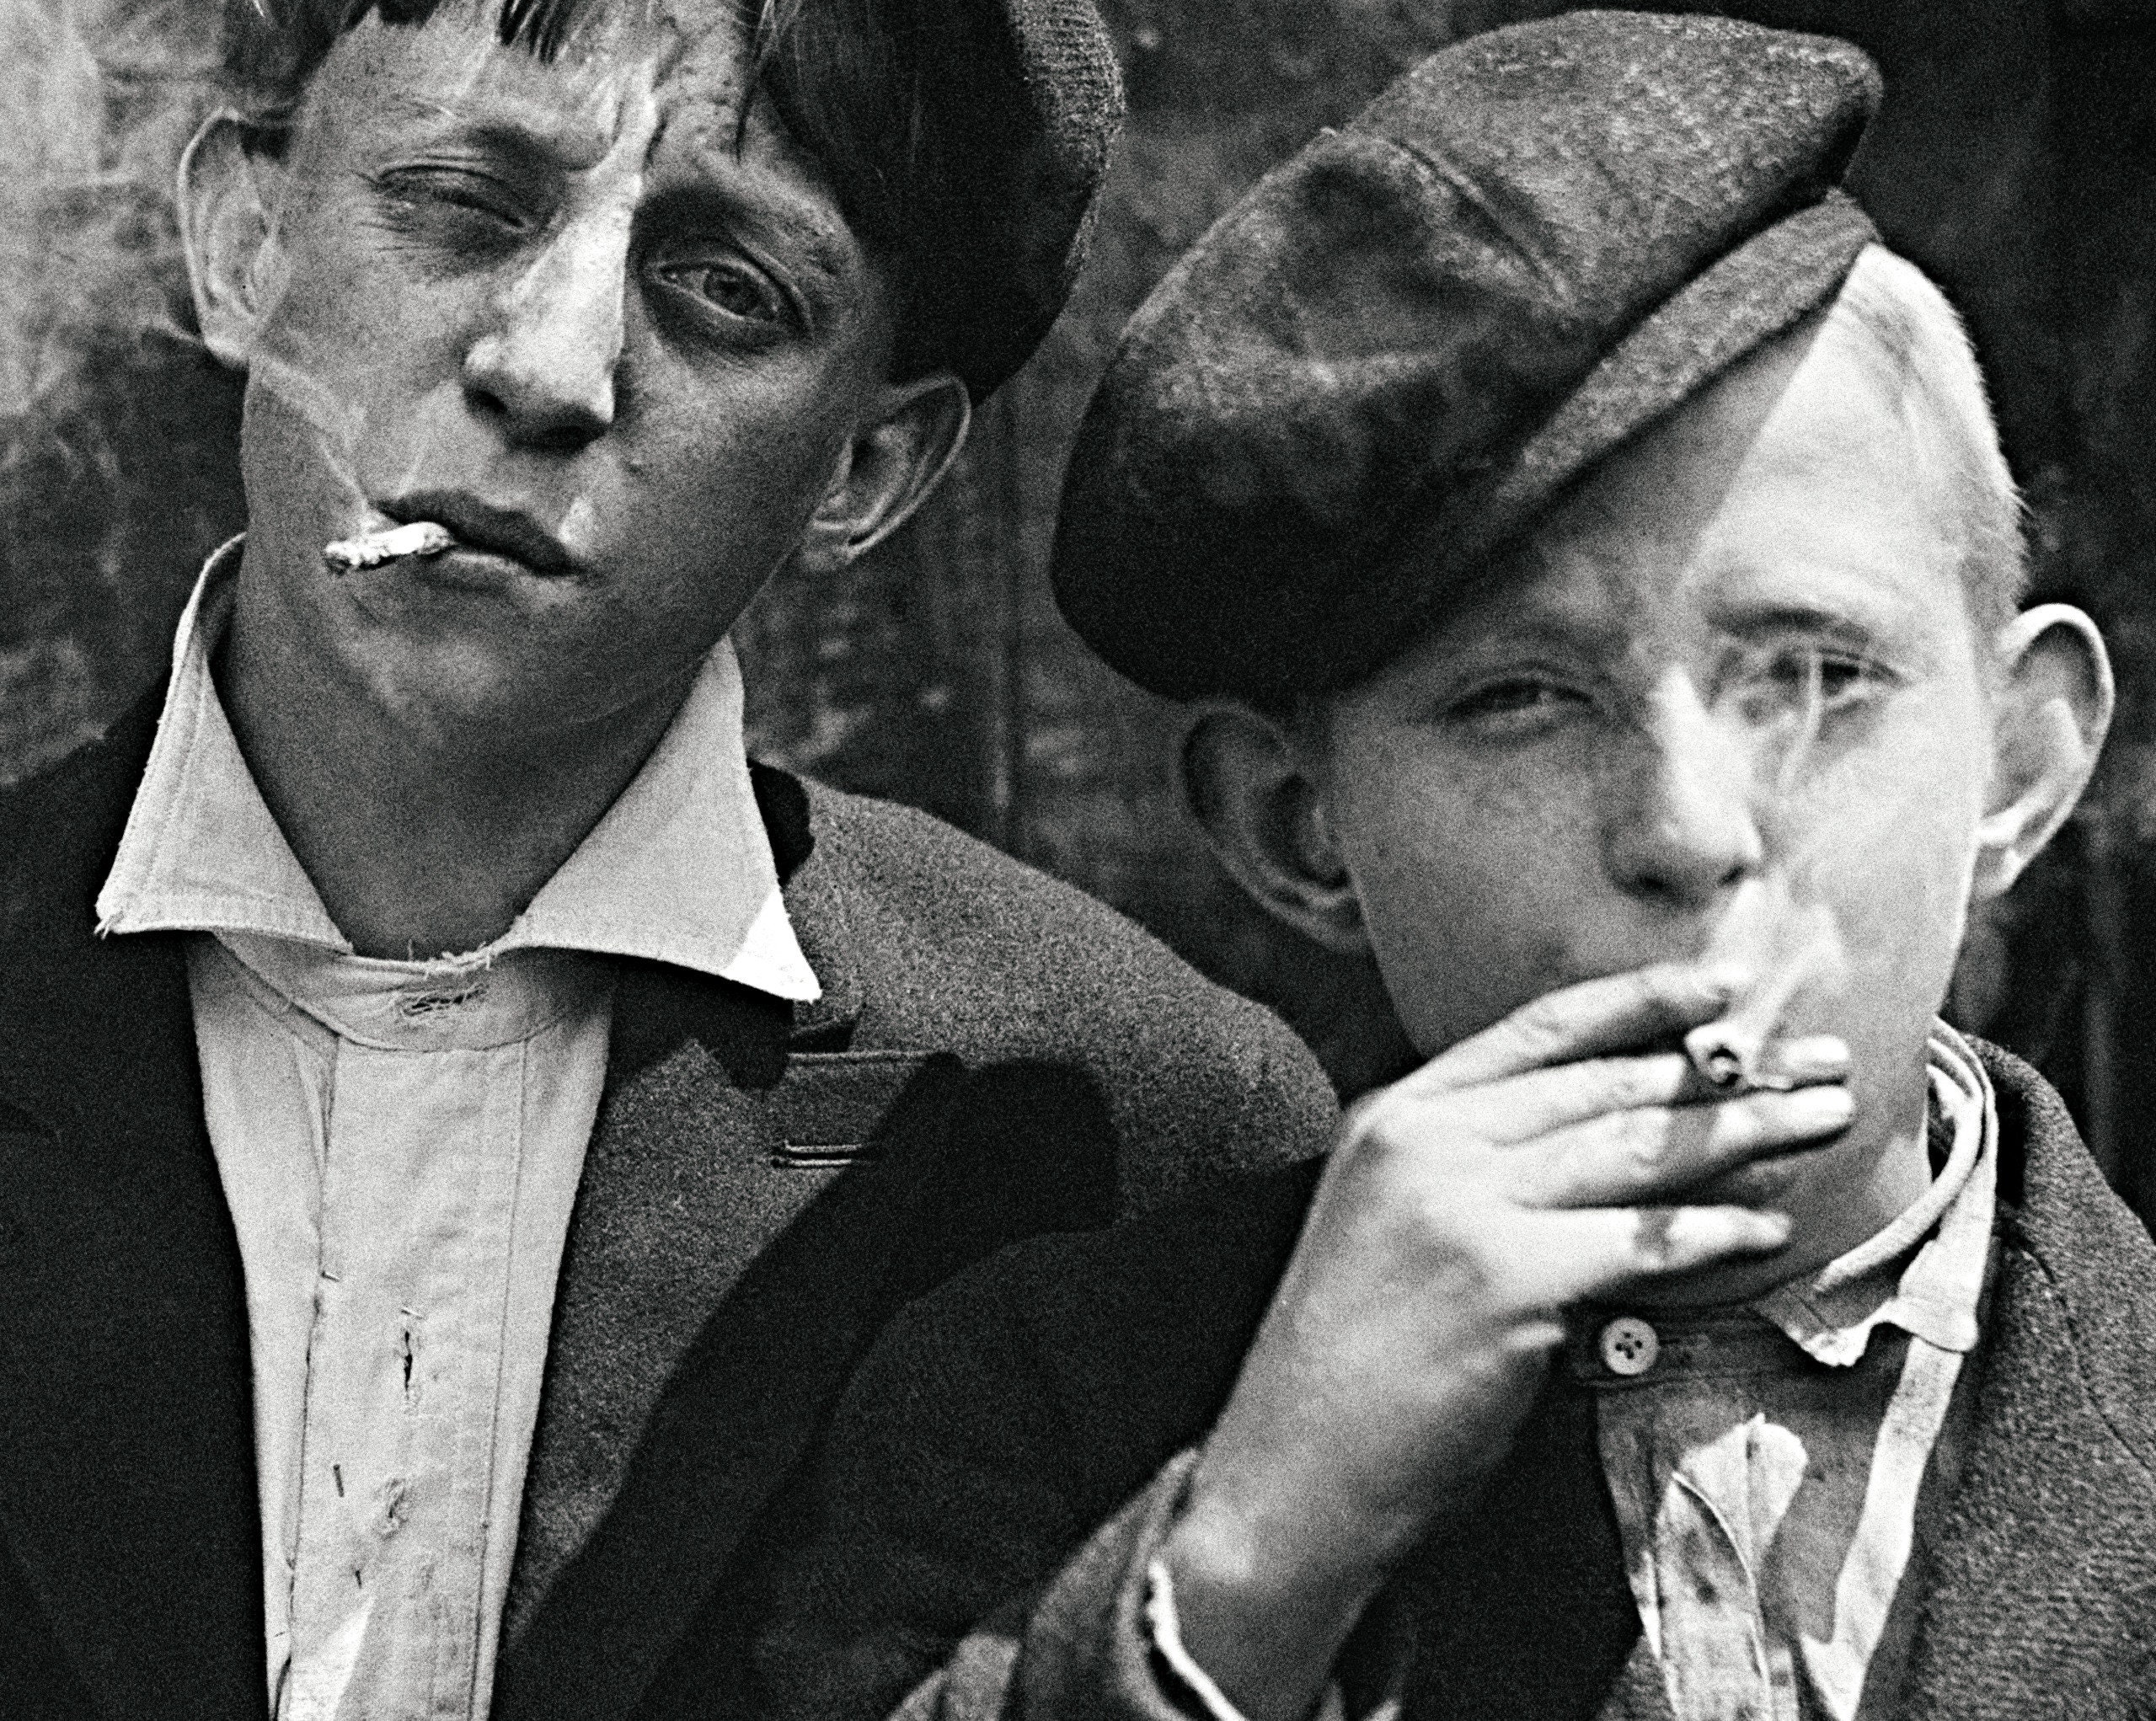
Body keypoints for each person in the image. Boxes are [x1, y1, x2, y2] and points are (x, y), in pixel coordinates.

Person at [724, 13, 2156, 1720]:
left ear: (2019, 759)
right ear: (1296, 829)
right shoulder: (1038, 1410)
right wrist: (1263, 1546)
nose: (1688, 830)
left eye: (1817, 676)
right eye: (1520, 700)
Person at [0, 1, 1341, 1717]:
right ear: (244, 244)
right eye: (465, 200)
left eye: (725, 287)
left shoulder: (1129, 1132)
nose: (549, 370)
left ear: (864, 467)